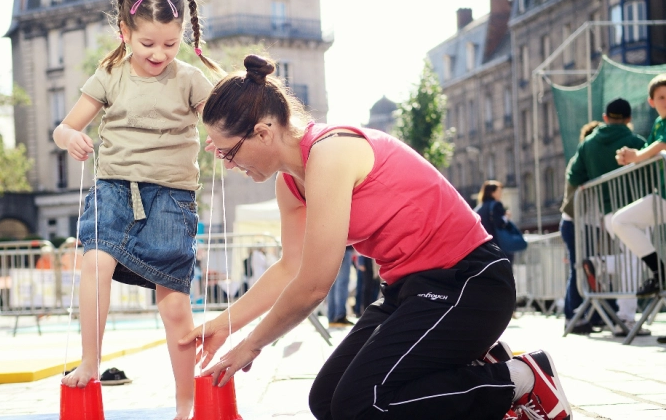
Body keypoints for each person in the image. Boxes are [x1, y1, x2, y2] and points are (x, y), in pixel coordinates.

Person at [179, 54, 572, 420]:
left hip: (469, 282)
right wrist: (227, 323)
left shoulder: (331, 153)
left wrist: (252, 343)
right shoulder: (290, 186)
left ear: (263, 133)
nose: (228, 165)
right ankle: (473, 367)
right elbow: (290, 268)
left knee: (361, 404)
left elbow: (315, 284)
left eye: (228, 153)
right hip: (409, 292)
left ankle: (519, 377)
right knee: (327, 402)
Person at [53, 0, 220, 418]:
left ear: (183, 35)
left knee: (175, 304)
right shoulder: (110, 73)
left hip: (170, 198)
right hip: (113, 189)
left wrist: (223, 140)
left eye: (171, 43)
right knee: (94, 265)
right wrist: (70, 137)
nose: (159, 54)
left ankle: (186, 403)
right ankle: (91, 360)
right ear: (125, 33)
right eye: (148, 44)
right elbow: (64, 127)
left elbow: (218, 122)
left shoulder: (189, 79)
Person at [567, 97, 649, 337]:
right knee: (636, 258)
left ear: (605, 118)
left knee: (631, 258)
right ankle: (625, 317)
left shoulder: (588, 144)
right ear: (629, 119)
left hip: (607, 212)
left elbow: (574, 176)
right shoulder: (636, 142)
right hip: (635, 208)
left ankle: (601, 264)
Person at [613, 74, 666, 298]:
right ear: (651, 102)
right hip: (662, 197)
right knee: (620, 221)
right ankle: (660, 271)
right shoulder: (658, 123)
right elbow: (650, 151)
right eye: (662, 97)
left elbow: (662, 145)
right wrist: (628, 156)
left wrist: (637, 156)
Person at [560, 121, 602, 334]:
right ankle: (572, 316)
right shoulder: (583, 159)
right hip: (575, 222)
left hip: (587, 222)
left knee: (587, 269)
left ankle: (586, 315)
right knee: (578, 269)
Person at [473, 180, 513, 263]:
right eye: (499, 191)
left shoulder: (479, 208)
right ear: (492, 193)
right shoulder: (496, 205)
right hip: (498, 244)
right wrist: (506, 217)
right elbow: (499, 223)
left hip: (485, 246)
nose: (501, 194)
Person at [326, 246, 355, 326]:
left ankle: (332, 317)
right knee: (342, 283)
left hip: (328, 249)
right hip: (343, 248)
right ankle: (340, 316)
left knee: (332, 284)